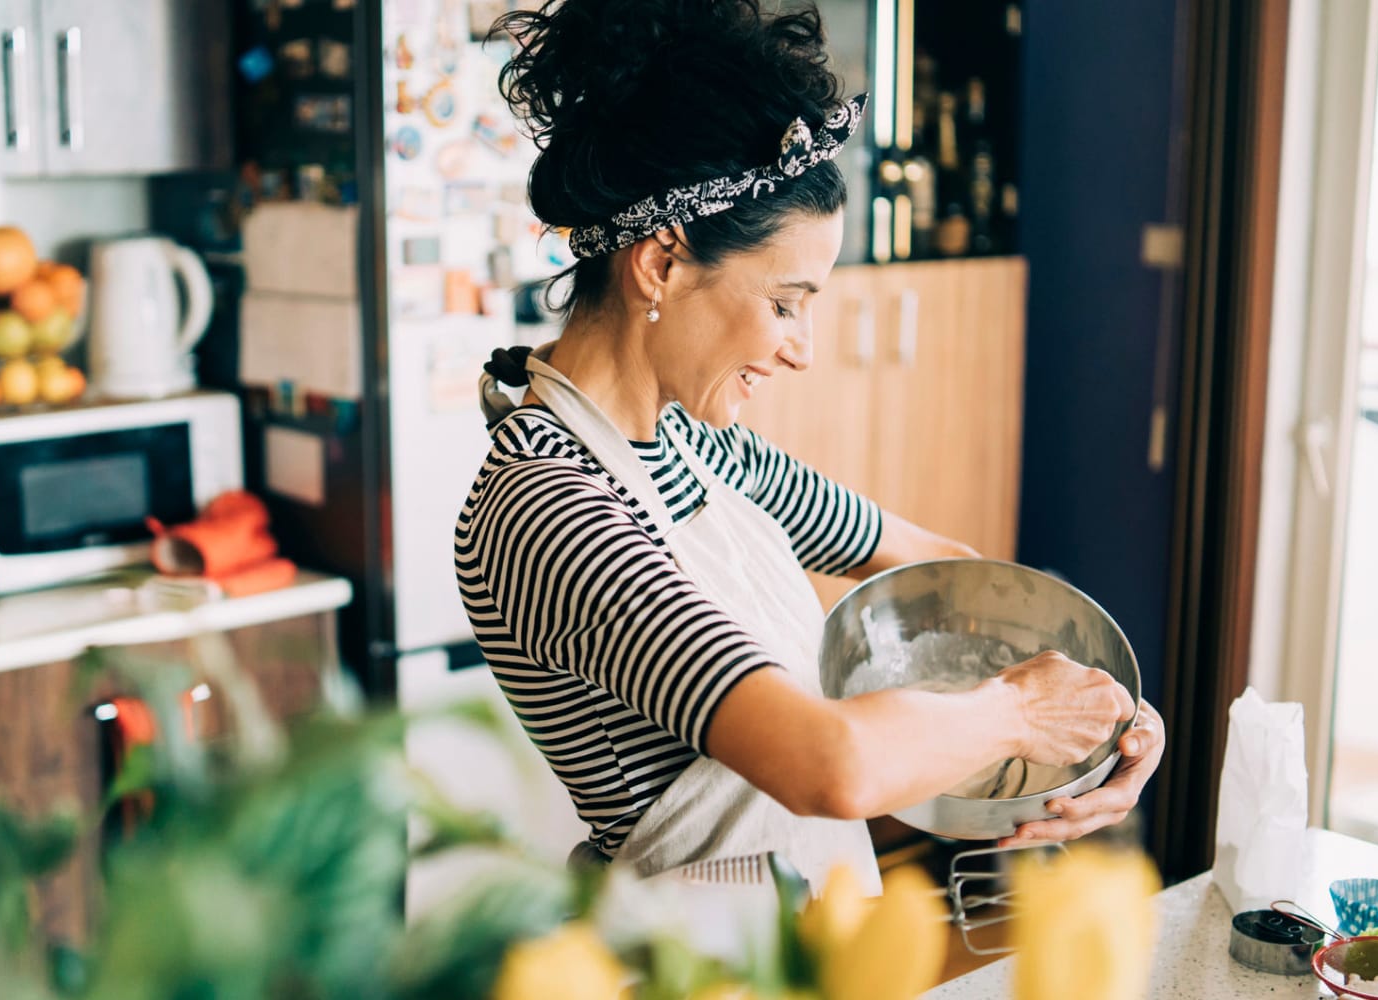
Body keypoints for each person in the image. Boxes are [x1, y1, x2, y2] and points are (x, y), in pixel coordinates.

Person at [457, 0, 1166, 888]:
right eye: (784, 302)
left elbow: (948, 580)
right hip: (686, 962)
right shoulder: (546, 504)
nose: (802, 348)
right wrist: (1022, 711)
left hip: (809, 935)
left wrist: (1111, 720)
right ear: (662, 264)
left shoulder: (701, 451)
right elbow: (826, 763)